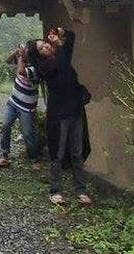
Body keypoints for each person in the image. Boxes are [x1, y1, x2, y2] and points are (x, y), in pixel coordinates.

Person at [31, 27, 92, 206]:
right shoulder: (44, 67)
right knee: (57, 154)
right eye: (42, 48)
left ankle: (81, 190)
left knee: (77, 153)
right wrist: (59, 45)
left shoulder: (60, 55)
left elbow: (72, 37)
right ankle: (55, 191)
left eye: (46, 44)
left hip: (75, 111)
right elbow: (60, 64)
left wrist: (61, 31)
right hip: (59, 115)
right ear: (38, 55)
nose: (46, 47)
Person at [0, 42, 40, 168]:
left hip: (27, 107)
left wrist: (20, 57)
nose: (23, 51)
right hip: (13, 102)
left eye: (26, 49)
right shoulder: (21, 58)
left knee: (27, 134)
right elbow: (8, 60)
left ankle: (34, 159)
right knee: (5, 126)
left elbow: (21, 71)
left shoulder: (36, 67)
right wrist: (16, 52)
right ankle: (4, 155)